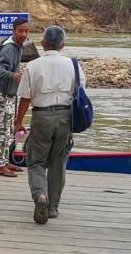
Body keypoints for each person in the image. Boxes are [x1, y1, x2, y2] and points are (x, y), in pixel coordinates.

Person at [16, 26, 83, 225]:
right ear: (63, 45)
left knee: (36, 160)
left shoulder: (33, 65)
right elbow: (79, 94)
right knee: (58, 162)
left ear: (43, 43)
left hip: (41, 116)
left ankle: (40, 196)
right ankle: (53, 207)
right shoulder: (74, 66)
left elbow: (26, 98)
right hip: (65, 117)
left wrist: (18, 121)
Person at [0, 16, 31, 178]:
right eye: (20, 31)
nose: (24, 34)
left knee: (8, 130)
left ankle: (5, 160)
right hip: (2, 93)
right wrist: (12, 75)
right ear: (13, 31)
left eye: (26, 31)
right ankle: (0, 165)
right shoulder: (9, 48)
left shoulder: (18, 46)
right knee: (2, 130)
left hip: (9, 93)